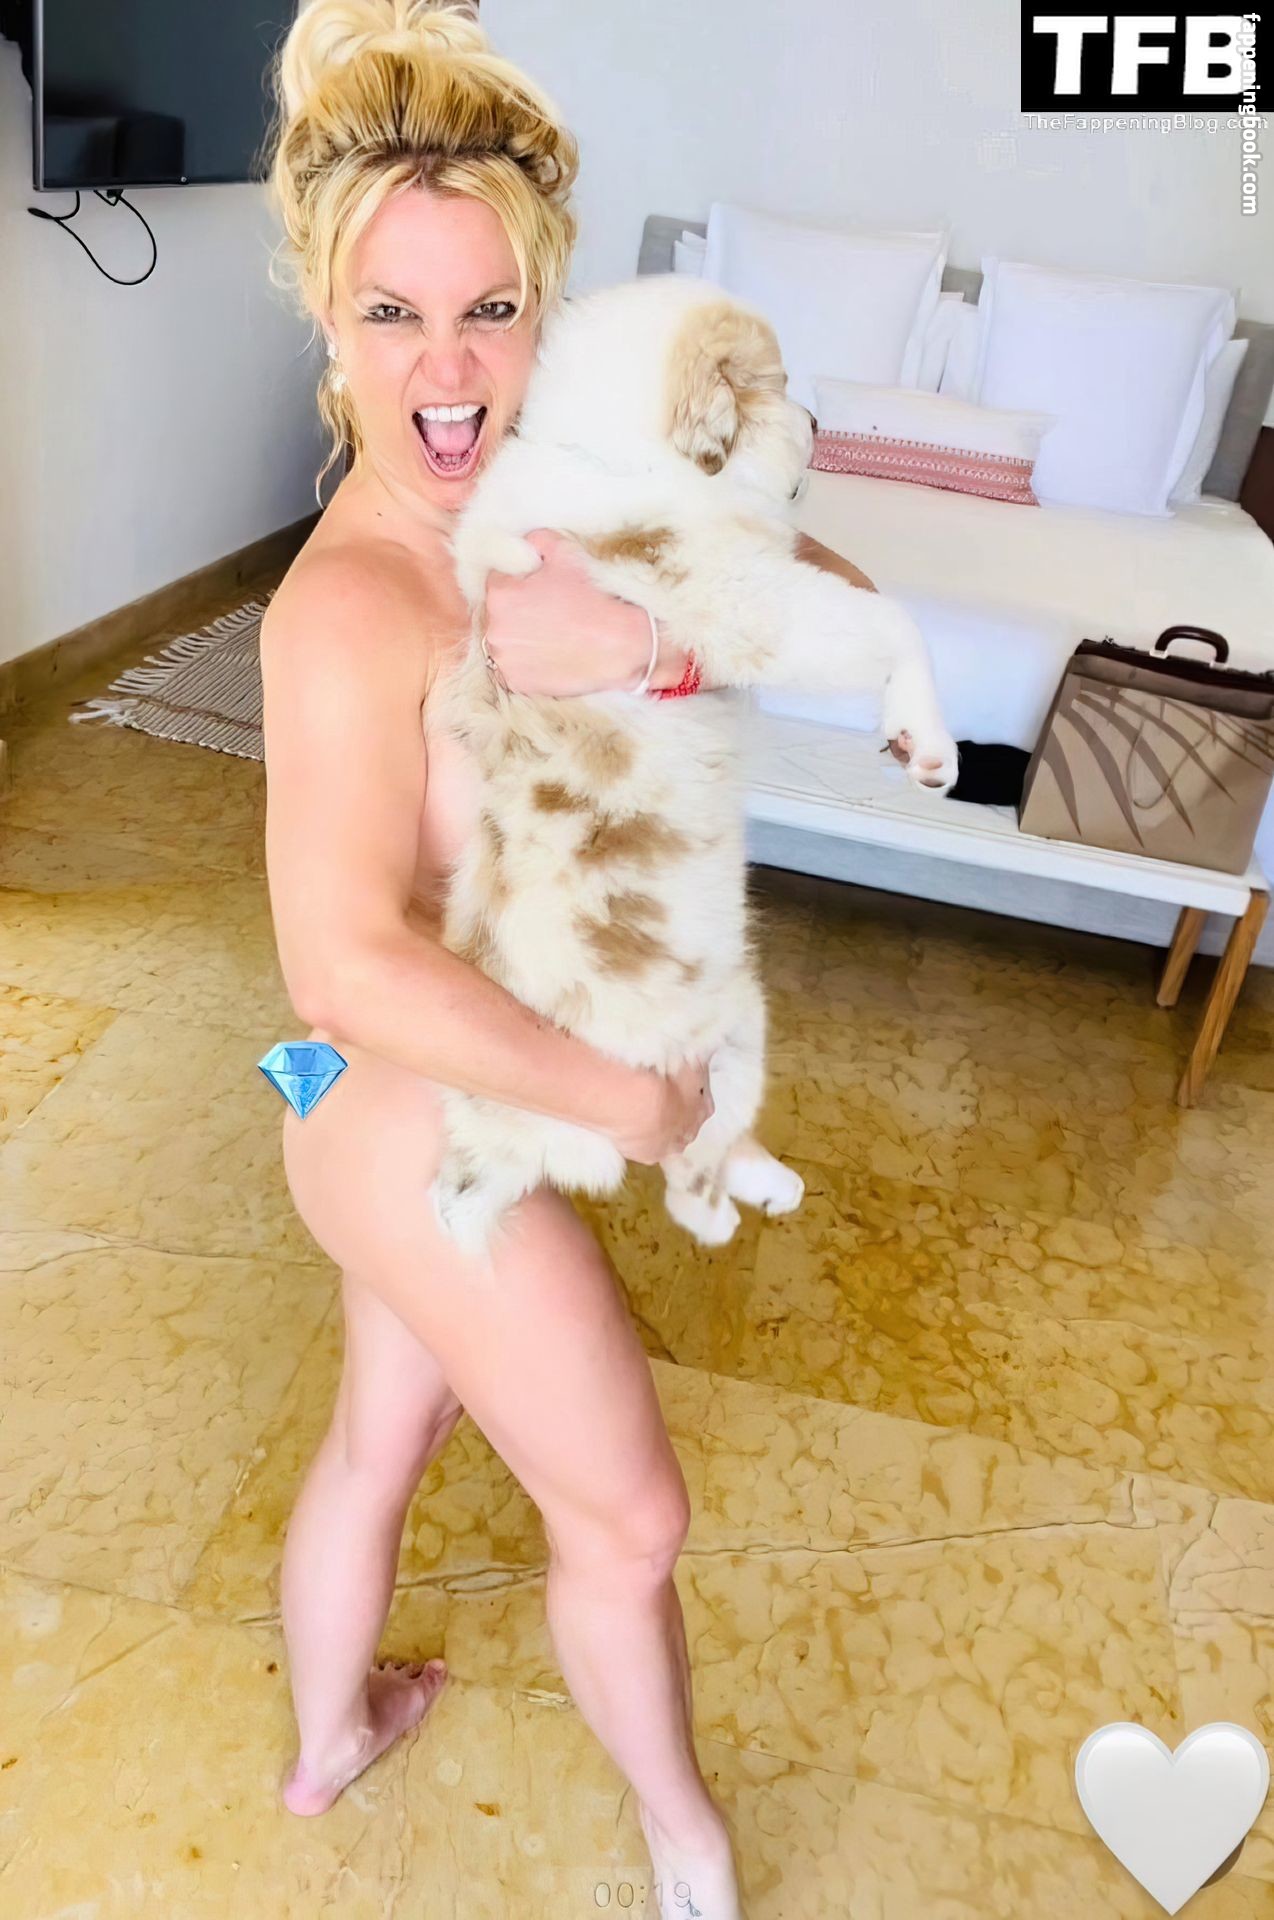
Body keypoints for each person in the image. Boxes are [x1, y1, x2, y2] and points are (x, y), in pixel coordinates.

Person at [259, 5, 876, 1911]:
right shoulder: (351, 608)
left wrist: (650, 646)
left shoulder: (565, 497)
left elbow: (836, 602)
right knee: (629, 1516)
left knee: (380, 1434)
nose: (448, 370)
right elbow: (342, 965)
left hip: (426, 1105)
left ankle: (328, 1741)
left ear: (549, 316)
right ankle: (690, 1850)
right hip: (402, 1116)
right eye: (392, 315)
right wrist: (634, 1103)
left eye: (490, 312)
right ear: (329, 328)